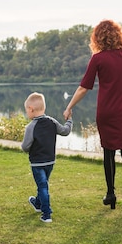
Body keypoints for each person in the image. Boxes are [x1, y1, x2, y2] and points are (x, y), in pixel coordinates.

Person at [63, 19, 122, 217]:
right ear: (119, 36)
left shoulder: (98, 59)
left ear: (98, 38)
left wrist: (69, 106)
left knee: (108, 153)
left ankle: (111, 194)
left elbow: (84, 87)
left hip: (106, 112)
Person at [21, 91, 73, 223]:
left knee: (42, 186)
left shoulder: (30, 127)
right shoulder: (52, 121)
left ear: (31, 109)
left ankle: (46, 214)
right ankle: (37, 203)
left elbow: (25, 146)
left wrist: (28, 147)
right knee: (42, 184)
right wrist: (69, 120)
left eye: (26, 110)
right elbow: (65, 131)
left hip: (37, 163)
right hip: (50, 161)